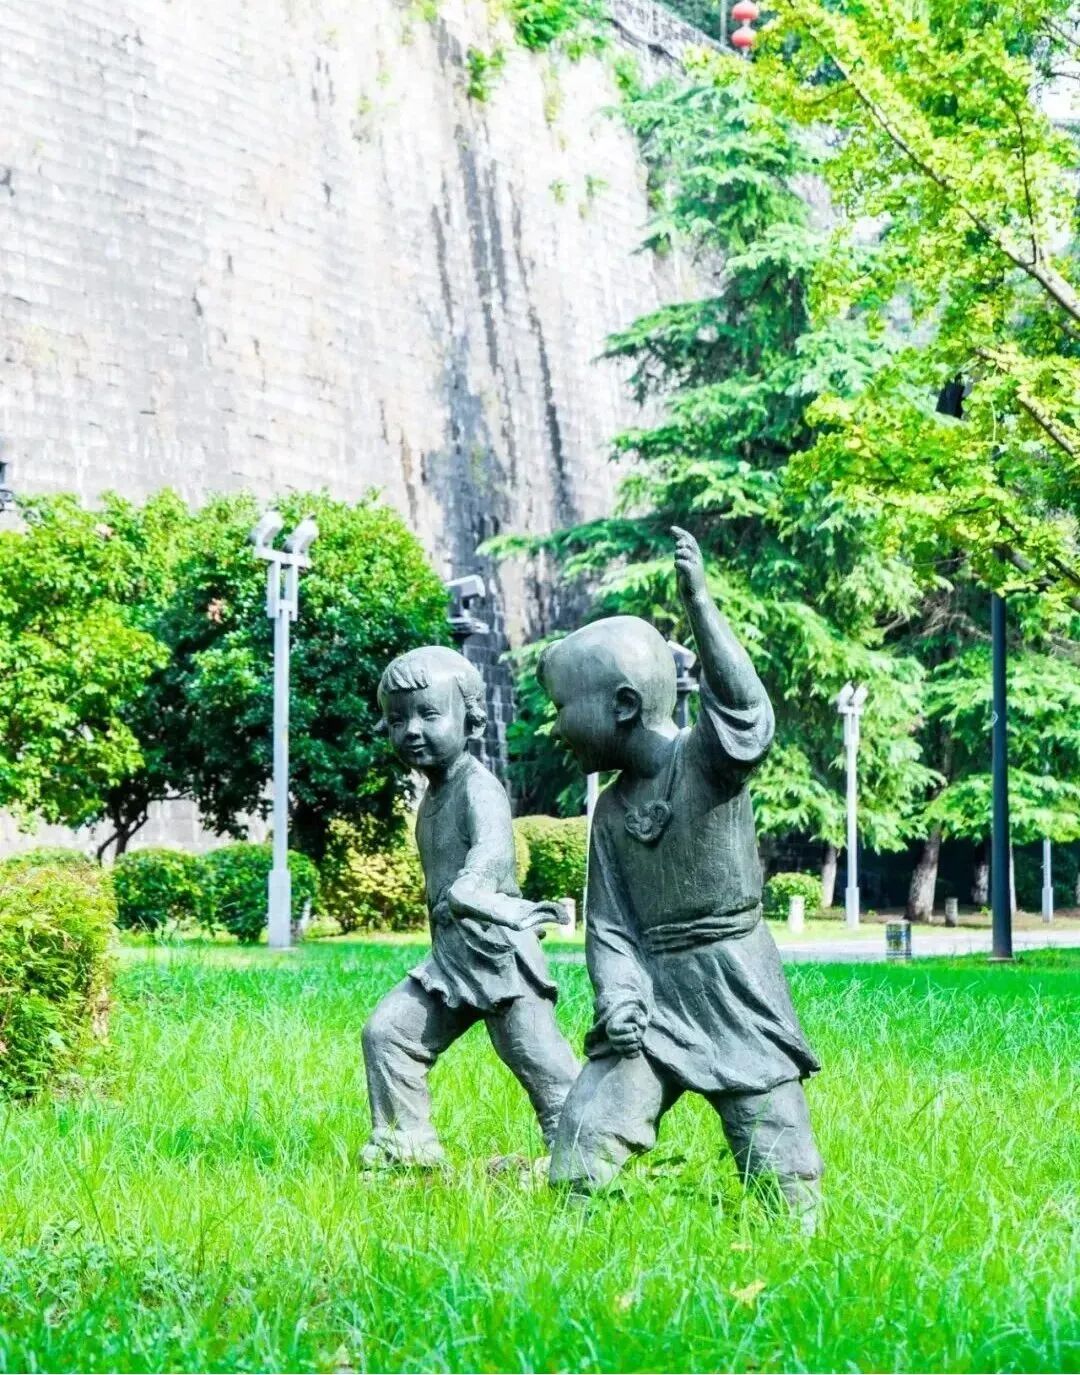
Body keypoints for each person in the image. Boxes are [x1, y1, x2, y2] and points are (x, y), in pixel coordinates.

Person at [538, 528, 823, 1220]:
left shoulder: (704, 762)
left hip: (733, 981)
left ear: (623, 705)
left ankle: (801, 1241)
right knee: (584, 1135)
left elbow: (747, 717)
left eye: (562, 709)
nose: (556, 728)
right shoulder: (610, 812)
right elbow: (610, 926)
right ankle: (570, 1247)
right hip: (653, 996)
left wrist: (700, 606)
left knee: (777, 1153)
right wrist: (619, 995)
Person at [360, 646, 579, 1169]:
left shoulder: (479, 788)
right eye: (397, 720)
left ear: (471, 720)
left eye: (428, 714)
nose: (411, 730)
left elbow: (494, 850)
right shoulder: (433, 796)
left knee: (540, 1062)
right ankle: (405, 1149)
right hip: (451, 960)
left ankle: (583, 1152)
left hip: (498, 957)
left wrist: (473, 883)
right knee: (388, 1034)